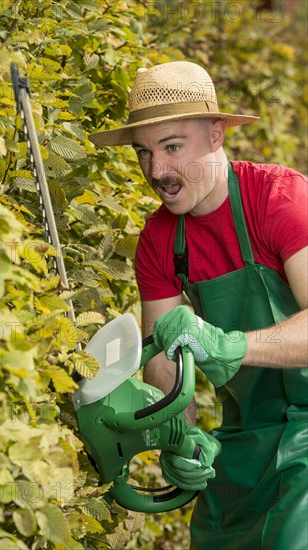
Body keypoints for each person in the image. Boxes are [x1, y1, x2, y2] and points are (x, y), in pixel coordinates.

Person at [89, 61, 308, 549]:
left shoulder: (278, 199)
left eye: (172, 147)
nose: (156, 171)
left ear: (215, 134)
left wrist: (227, 345)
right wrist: (177, 437)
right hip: (248, 436)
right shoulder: (160, 240)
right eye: (144, 153)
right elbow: (163, 364)